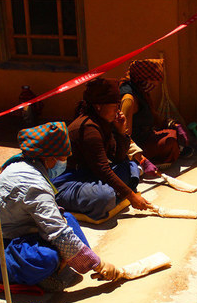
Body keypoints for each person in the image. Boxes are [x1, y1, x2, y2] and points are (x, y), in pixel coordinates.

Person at [0, 121, 122, 288]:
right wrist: (98, 264)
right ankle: (49, 269)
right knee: (47, 258)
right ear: (50, 158)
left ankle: (72, 259)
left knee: (67, 218)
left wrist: (85, 255)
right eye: (63, 158)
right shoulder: (32, 183)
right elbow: (58, 233)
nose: (64, 163)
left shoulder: (23, 165)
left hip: (15, 235)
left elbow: (55, 221)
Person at [52, 78, 153, 221]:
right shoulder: (88, 127)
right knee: (104, 197)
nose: (118, 111)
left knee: (131, 167)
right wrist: (131, 196)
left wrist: (120, 132)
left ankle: (114, 193)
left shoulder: (103, 122)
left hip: (91, 175)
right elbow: (103, 169)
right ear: (99, 106)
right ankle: (111, 196)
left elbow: (118, 158)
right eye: (115, 106)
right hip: (70, 182)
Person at [119, 59, 192, 170]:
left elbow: (155, 117)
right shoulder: (129, 99)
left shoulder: (142, 93)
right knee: (170, 141)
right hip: (136, 145)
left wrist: (174, 125)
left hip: (146, 136)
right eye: (152, 83)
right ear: (142, 79)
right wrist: (141, 159)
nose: (154, 87)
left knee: (171, 133)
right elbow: (124, 135)